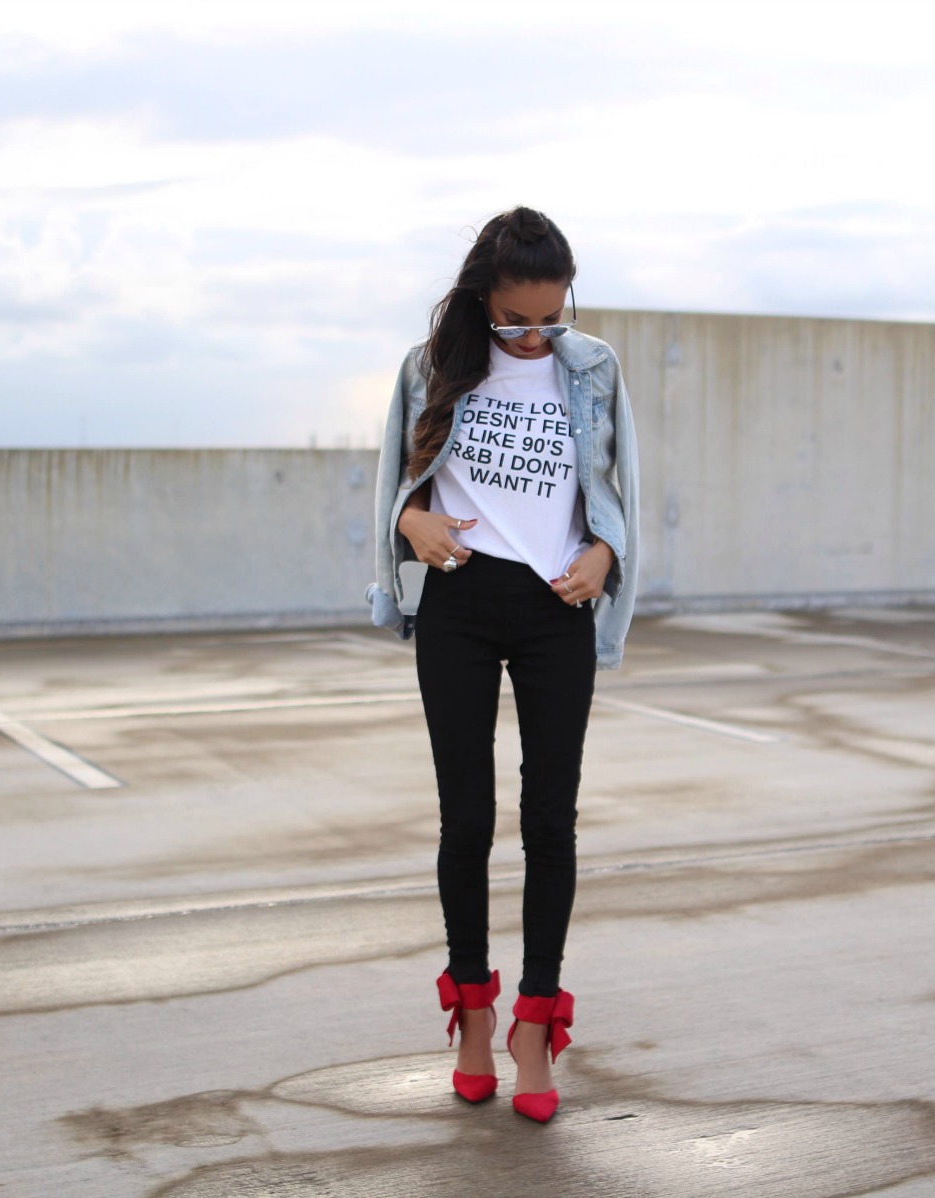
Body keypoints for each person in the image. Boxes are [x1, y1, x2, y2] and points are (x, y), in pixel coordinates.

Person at [365, 206, 639, 1123]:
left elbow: (620, 485)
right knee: (467, 820)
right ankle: (473, 1019)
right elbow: (392, 487)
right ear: (482, 299)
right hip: (461, 603)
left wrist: (607, 554)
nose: (531, 338)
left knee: (550, 821)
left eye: (548, 320)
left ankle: (535, 1029)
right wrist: (412, 524)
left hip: (558, 605)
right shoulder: (431, 367)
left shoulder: (593, 367)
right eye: (512, 321)